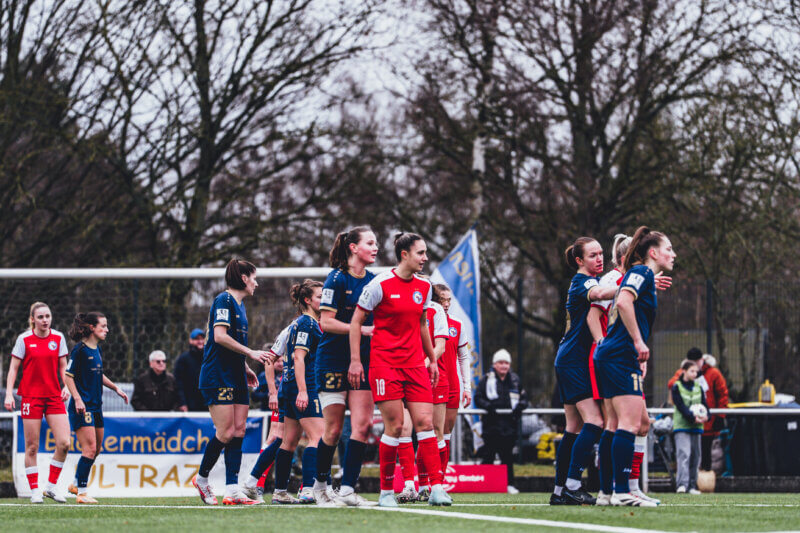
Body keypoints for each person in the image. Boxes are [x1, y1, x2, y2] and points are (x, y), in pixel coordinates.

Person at [350, 232, 451, 507]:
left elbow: (422, 325)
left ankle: (436, 489)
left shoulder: (425, 286)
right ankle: (385, 493)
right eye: (421, 253)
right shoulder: (379, 284)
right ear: (404, 254)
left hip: (415, 365)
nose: (425, 258)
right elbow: (357, 322)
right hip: (385, 366)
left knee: (426, 424)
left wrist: (431, 359)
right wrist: (356, 360)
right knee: (395, 427)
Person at [593, 226, 676, 507]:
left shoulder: (640, 275)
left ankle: (608, 492)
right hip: (619, 355)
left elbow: (627, 297)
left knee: (622, 424)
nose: (673, 254)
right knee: (629, 424)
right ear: (653, 252)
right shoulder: (642, 272)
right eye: (668, 249)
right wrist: (639, 342)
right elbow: (624, 301)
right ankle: (622, 491)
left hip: (612, 354)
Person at [191, 259, 269, 506]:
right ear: (244, 278)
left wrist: (244, 367)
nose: (256, 283)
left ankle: (232, 490)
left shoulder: (240, 306)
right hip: (218, 375)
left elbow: (230, 345)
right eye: (254, 278)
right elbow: (219, 337)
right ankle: (201, 479)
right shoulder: (223, 300)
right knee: (225, 432)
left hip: (235, 375)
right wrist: (251, 353)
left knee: (239, 430)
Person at [311, 227, 379, 507]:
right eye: (370, 243)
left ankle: (348, 489)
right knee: (334, 430)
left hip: (363, 362)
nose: (375, 248)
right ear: (353, 247)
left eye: (376, 243)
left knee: (363, 426)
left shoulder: (374, 282)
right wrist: (360, 329)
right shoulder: (336, 279)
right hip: (332, 361)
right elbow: (326, 322)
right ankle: (319, 487)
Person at [551, 237, 618, 505]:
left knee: (574, 427)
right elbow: (600, 294)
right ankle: (572, 485)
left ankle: (559, 492)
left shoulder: (588, 281)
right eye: (593, 255)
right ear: (579, 261)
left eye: (601, 253)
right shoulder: (585, 282)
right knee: (595, 422)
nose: (599, 258)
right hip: (573, 361)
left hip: (568, 359)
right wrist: (636, 285)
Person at [4, 302, 71, 503]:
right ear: (33, 319)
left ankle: (50, 487)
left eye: (47, 316)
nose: (45, 320)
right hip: (31, 397)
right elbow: (13, 368)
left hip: (54, 397)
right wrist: (9, 394)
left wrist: (66, 386)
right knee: (32, 446)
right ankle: (34, 490)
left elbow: (63, 367)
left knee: (64, 443)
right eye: (40, 317)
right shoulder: (24, 339)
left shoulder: (58, 338)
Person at [270, 280, 326, 505]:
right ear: (307, 300)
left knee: (289, 441)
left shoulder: (301, 323)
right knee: (318, 437)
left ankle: (280, 491)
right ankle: (309, 489)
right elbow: (298, 358)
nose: (325, 300)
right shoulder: (306, 324)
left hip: (290, 385)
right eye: (320, 296)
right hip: (303, 385)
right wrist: (303, 391)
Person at [63, 311, 129, 504]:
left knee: (97, 449)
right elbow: (68, 376)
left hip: (96, 406)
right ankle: (82, 493)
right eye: (103, 326)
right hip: (83, 408)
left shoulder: (96, 349)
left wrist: (115, 388)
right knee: (90, 449)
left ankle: (76, 483)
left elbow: (98, 374)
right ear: (92, 328)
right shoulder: (80, 350)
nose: (107, 330)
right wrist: (77, 399)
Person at [396, 289, 447, 503]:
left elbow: (440, 346)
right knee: (403, 428)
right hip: (400, 374)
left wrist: (422, 365)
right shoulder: (398, 303)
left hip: (425, 376)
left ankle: (433, 486)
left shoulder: (436, 310)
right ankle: (409, 485)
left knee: (431, 429)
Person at [474, 349, 528, 494]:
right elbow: (478, 398)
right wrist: (488, 406)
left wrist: (519, 407)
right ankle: (483, 484)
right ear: (494, 364)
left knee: (507, 457)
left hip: (509, 426)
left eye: (506, 363)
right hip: (491, 426)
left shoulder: (515, 380)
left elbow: (524, 399)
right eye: (501, 363)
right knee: (488, 456)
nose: (504, 366)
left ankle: (509, 484)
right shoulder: (486, 380)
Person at [667, 347, 729, 472]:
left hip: (707, 423)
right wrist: (685, 378)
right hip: (687, 421)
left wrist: (720, 416)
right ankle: (688, 479)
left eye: (697, 361)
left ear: (702, 360)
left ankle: (704, 477)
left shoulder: (713, 373)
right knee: (686, 454)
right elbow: (672, 384)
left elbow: (723, 395)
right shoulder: (683, 373)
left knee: (705, 454)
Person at [243, 337, 288, 498]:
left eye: (282, 360)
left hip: (303, 390)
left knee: (310, 437)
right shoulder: (293, 331)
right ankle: (256, 483)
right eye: (278, 360)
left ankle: (310, 486)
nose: (280, 363)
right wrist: (272, 394)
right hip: (284, 398)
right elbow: (255, 395)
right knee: (275, 437)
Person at [671, 359, 708, 494]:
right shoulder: (677, 387)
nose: (694, 374)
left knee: (696, 457)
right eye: (692, 371)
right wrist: (693, 417)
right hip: (682, 426)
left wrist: (706, 416)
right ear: (684, 371)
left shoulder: (699, 387)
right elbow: (680, 405)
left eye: (696, 372)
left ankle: (692, 486)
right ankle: (682, 484)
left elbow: (704, 404)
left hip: (697, 427)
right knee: (684, 455)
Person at [174, 329, 206, 412]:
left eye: (202, 338)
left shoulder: (209, 358)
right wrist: (182, 403)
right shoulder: (183, 359)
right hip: (190, 404)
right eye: (197, 339)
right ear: (190, 341)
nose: (200, 341)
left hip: (208, 403)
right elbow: (178, 382)